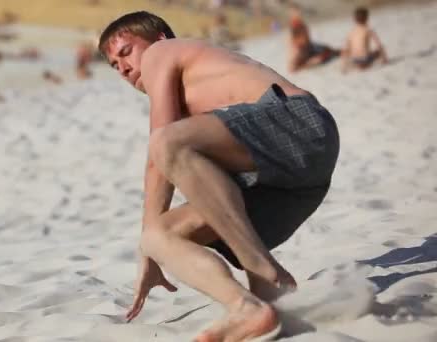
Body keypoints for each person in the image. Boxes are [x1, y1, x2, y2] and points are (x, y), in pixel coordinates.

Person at [98, 11, 339, 341]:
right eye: (114, 65)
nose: (123, 68)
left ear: (159, 39)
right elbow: (215, 190)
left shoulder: (162, 52)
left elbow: (160, 151)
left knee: (166, 142)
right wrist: (150, 250)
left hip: (299, 126)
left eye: (126, 52)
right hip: (294, 182)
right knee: (157, 235)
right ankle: (250, 304)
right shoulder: (201, 123)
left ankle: (260, 266)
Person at [287, 4, 339, 73]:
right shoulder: (295, 24)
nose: (298, 13)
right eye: (295, 12)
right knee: (327, 53)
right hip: (304, 47)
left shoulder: (297, 23)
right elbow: (294, 40)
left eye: (298, 11)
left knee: (328, 50)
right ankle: (308, 63)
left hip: (306, 46)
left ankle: (308, 63)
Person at [341, 7, 388, 73]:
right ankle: (365, 65)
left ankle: (358, 65)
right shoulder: (368, 29)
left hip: (354, 59)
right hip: (365, 58)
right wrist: (384, 59)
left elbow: (345, 50)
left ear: (354, 19)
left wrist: (344, 67)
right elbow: (378, 44)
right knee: (380, 49)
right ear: (367, 18)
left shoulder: (351, 32)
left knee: (354, 53)